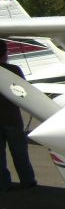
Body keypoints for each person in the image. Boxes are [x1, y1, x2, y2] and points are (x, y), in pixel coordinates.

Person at [0, 40, 37, 192]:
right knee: (19, 150)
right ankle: (27, 180)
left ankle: (3, 184)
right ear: (4, 54)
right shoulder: (13, 69)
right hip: (11, 117)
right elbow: (23, 90)